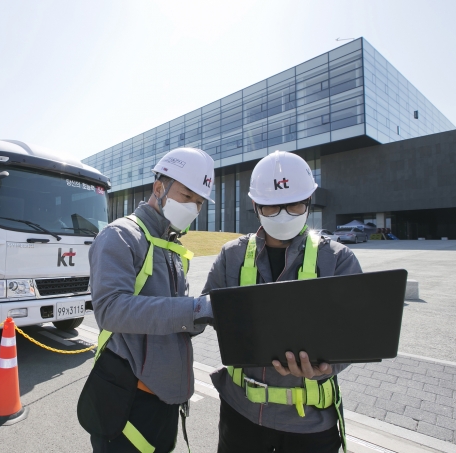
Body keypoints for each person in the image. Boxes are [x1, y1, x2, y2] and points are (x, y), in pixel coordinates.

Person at [201, 151, 362, 453]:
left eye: (294, 204)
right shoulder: (232, 255)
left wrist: (324, 367)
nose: (284, 213)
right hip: (241, 413)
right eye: (272, 206)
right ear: (255, 205)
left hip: (309, 423)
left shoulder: (338, 259)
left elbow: (353, 334)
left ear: (309, 201)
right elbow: (207, 310)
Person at [78, 147, 216, 452]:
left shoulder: (171, 245)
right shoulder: (121, 236)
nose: (194, 207)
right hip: (129, 401)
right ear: (159, 188)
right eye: (187, 195)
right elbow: (111, 310)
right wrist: (193, 310)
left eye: (199, 202)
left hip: (164, 401)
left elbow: (173, 316)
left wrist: (200, 318)